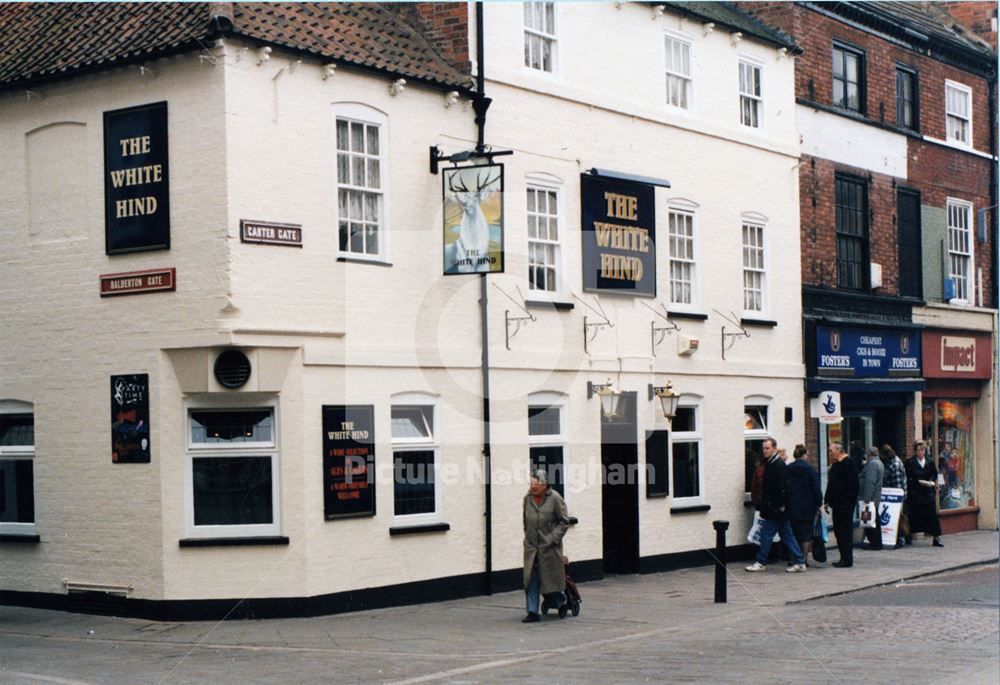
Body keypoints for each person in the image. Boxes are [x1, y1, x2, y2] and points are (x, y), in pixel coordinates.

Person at [745, 439, 807, 573]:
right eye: (763, 448)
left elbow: (782, 489)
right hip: (778, 510)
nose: (764, 451)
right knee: (787, 536)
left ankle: (761, 561)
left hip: (775, 510)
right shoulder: (772, 463)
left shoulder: (778, 465)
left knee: (766, 536)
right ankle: (800, 562)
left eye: (767, 448)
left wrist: (778, 507)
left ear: (774, 448)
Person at [522, 469, 570, 623]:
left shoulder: (555, 498)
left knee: (550, 581)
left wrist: (552, 538)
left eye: (536, 484)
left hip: (549, 547)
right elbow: (525, 520)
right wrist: (528, 538)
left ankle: (560, 601)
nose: (533, 487)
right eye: (531, 484)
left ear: (545, 485)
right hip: (531, 547)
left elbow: (564, 521)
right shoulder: (527, 499)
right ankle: (532, 612)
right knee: (531, 580)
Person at [786, 444, 823, 565]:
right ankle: (804, 559)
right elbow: (816, 489)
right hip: (808, 506)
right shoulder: (810, 470)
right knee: (806, 534)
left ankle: (793, 559)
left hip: (792, 506)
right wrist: (819, 503)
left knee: (793, 534)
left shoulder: (788, 469)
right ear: (804, 455)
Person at [824, 441, 859, 568]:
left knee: (845, 531)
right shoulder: (835, 465)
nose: (830, 453)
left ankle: (847, 559)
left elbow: (854, 486)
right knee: (839, 531)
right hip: (837, 504)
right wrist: (827, 500)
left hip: (845, 505)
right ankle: (842, 557)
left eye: (831, 451)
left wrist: (849, 502)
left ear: (839, 450)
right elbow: (831, 484)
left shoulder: (849, 464)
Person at [905, 440, 943, 547]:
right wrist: (917, 482)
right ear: (915, 451)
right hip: (916, 493)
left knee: (932, 515)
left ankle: (936, 537)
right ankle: (909, 535)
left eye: (922, 450)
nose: (921, 452)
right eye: (918, 450)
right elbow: (908, 477)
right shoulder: (910, 462)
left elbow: (934, 474)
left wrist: (930, 481)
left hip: (928, 493)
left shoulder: (930, 461)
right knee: (914, 515)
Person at [880, 444, 907, 548]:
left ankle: (901, 539)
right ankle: (900, 538)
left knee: (898, 518)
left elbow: (898, 485)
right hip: (892, 497)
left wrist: (896, 498)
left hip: (896, 498)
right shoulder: (892, 462)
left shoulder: (895, 465)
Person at [858, 446, 885, 550]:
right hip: (875, 497)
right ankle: (876, 542)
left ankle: (875, 543)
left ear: (869, 454)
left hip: (871, 498)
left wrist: (866, 497)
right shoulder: (879, 463)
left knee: (870, 521)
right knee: (874, 519)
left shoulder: (873, 464)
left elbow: (870, 482)